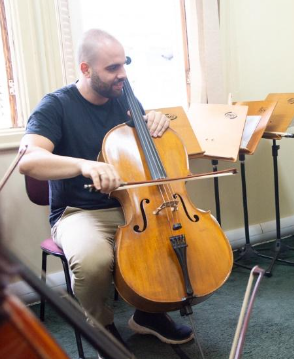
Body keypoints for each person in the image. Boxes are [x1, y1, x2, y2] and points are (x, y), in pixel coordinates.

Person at [19, 29, 194, 348]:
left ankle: (149, 314)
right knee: (92, 260)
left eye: (123, 65)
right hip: (80, 212)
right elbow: (29, 161)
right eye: (112, 68)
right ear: (85, 69)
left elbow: (143, 148)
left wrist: (154, 122)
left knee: (172, 237)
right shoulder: (56, 105)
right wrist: (84, 164)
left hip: (131, 204)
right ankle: (102, 329)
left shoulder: (124, 97)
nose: (122, 75)